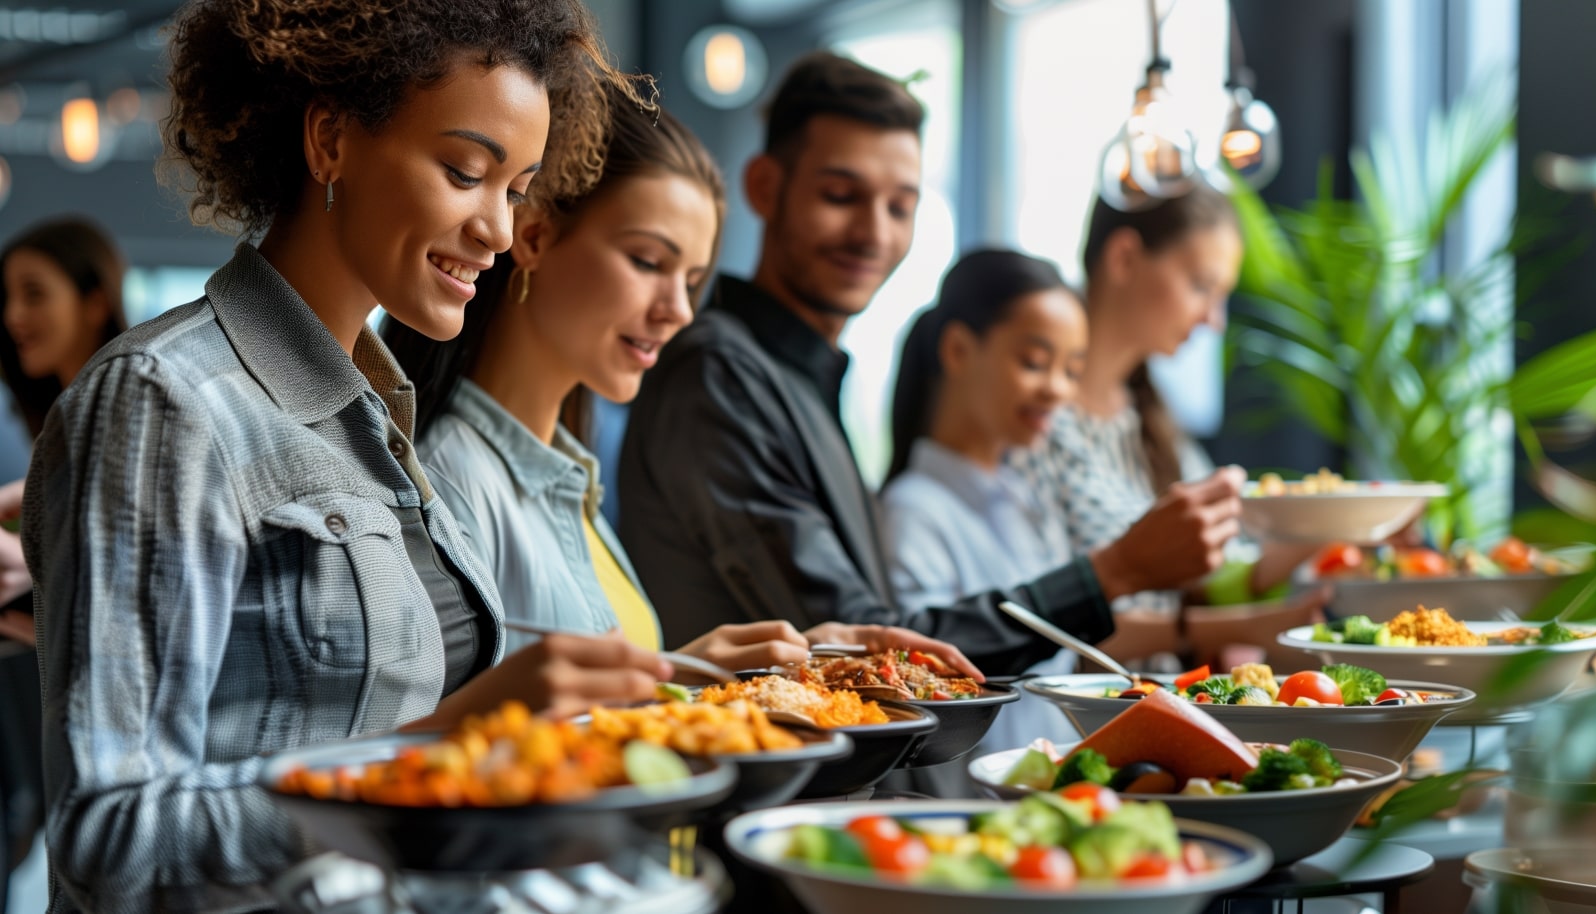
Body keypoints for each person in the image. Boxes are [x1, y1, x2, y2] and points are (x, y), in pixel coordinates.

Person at [22, 3, 676, 910]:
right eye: (464, 171)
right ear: (330, 139)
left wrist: (681, 684)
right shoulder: (166, 399)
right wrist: (431, 751)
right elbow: (112, 834)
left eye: (517, 188)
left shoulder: (379, 418)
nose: (497, 228)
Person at [617, 50, 1246, 679]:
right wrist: (1118, 571)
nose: (874, 233)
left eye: (900, 206)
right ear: (764, 188)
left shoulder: (798, 376)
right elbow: (864, 645)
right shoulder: (720, 373)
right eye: (841, 195)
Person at [382, 83, 979, 675]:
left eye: (691, 280)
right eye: (647, 262)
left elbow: (586, 711)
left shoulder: (569, 482)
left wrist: (709, 671)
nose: (679, 310)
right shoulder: (452, 480)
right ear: (535, 235)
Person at [1008, 189, 1318, 660]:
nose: (1213, 321)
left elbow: (1217, 573)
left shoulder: (1149, 420)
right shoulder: (1034, 425)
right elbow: (1039, 620)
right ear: (1125, 257)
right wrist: (1248, 628)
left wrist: (1333, 528)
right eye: (1200, 286)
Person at [879, 249, 1088, 753]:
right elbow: (921, 682)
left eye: (1073, 370)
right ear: (957, 350)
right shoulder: (912, 511)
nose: (1058, 389)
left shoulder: (1026, 496)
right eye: (1035, 362)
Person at [0, 217, 127, 903]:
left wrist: (33, 568)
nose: (14, 315)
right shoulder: (59, 427)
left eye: (34, 293)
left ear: (95, 299)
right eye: (7, 297)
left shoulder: (125, 419)